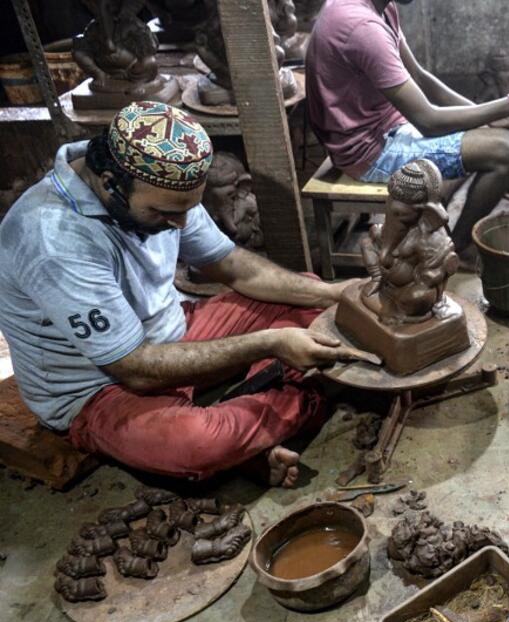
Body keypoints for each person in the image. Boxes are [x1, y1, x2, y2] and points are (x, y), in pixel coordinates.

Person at [0, 101, 371, 488]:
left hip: (176, 330)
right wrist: (270, 344)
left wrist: (331, 292)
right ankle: (281, 412)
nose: (179, 223)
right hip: (102, 386)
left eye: (186, 210)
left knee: (310, 300)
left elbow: (231, 266)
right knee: (199, 442)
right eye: (165, 214)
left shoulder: (160, 182)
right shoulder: (52, 237)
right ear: (110, 182)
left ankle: (252, 429)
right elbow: (136, 370)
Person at [305, 0, 509, 265]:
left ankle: (441, 228)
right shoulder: (363, 28)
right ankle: (458, 248)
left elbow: (420, 78)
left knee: (488, 132)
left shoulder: (381, 7)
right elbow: (428, 120)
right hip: (368, 153)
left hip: (387, 126)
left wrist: (494, 117)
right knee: (506, 151)